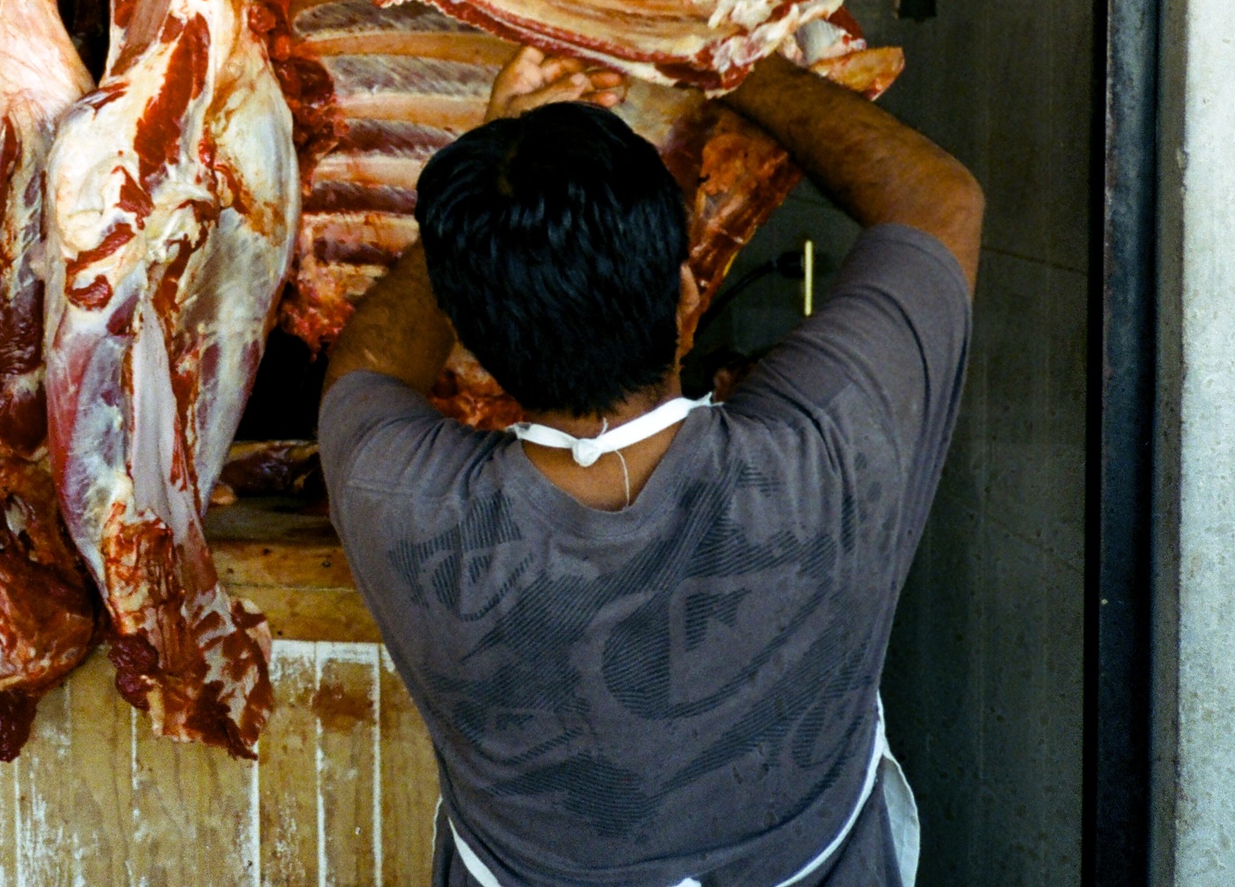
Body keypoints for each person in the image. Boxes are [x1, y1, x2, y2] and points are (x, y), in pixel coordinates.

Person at [319, 44, 982, 887]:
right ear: (684, 292)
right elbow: (940, 202)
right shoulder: (827, 454)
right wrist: (727, 63)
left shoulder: (397, 501)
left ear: (472, 342)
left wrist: (489, 209)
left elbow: (369, 367)